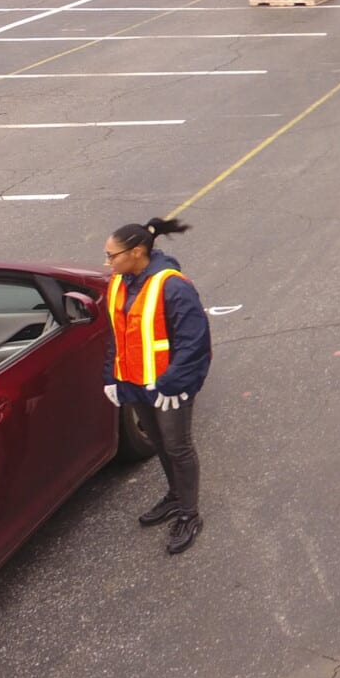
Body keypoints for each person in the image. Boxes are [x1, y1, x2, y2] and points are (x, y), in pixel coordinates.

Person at [100, 217, 212, 556]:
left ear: (136, 252)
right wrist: (112, 377)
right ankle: (175, 495)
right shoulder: (119, 283)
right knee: (160, 444)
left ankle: (189, 513)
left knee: (178, 446)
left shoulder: (173, 286)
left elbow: (194, 341)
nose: (107, 262)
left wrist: (172, 382)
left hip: (169, 388)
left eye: (112, 255)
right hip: (136, 384)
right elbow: (116, 336)